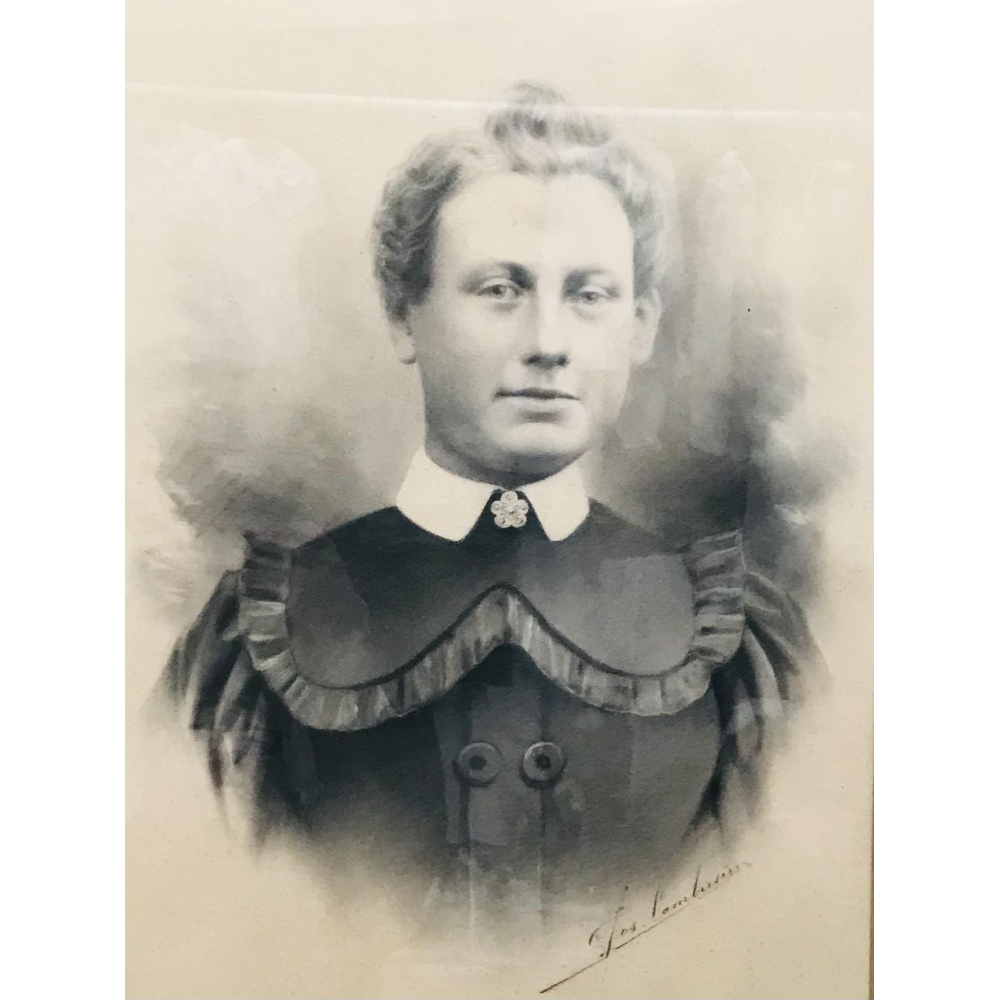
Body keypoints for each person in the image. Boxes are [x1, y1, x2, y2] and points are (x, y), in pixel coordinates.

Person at [158, 83, 817, 931]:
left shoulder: (734, 639)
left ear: (642, 325)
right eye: (501, 289)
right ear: (404, 318)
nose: (548, 343)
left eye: (589, 294)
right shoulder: (255, 637)